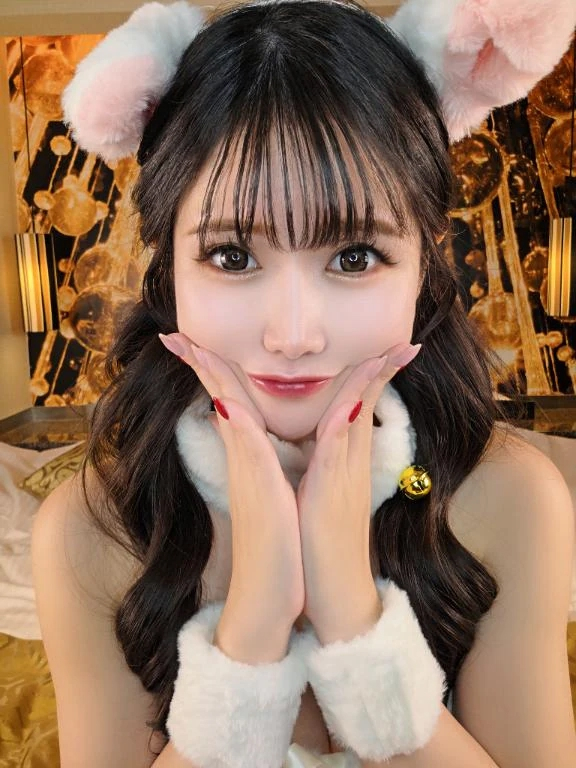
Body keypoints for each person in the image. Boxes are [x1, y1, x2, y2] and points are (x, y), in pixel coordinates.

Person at [31, 1, 576, 767]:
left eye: (354, 257)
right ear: (169, 267)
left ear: (424, 263)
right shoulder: (94, 530)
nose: (293, 335)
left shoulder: (508, 499)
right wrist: (252, 631)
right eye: (232, 256)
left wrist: (354, 620)